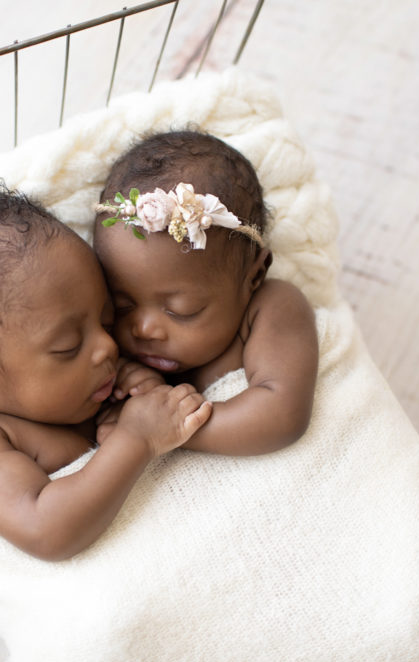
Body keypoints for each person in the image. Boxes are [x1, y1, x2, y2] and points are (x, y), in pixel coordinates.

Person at [0, 184, 212, 561]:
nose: (107, 346)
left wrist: (149, 392)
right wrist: (136, 439)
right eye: (68, 346)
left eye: (106, 320)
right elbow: (46, 530)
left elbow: (170, 417)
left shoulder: (102, 375)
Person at [94, 131, 318, 456]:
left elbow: (283, 414)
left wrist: (163, 432)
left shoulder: (274, 306)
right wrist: (139, 396)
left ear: (253, 277)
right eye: (122, 305)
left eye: (182, 310)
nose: (144, 328)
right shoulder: (116, 357)